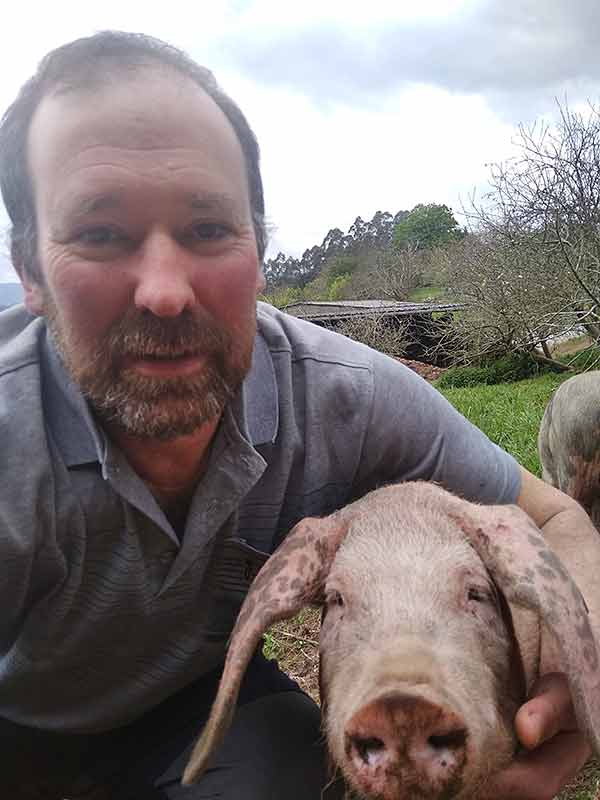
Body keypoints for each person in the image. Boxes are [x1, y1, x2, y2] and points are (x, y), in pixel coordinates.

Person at [0, 30, 597, 800]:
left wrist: (572, 678)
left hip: (193, 703)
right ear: (30, 272)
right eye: (100, 234)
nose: (166, 290)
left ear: (257, 246)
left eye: (209, 229)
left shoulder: (345, 394)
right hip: (18, 723)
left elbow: (553, 516)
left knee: (284, 771)